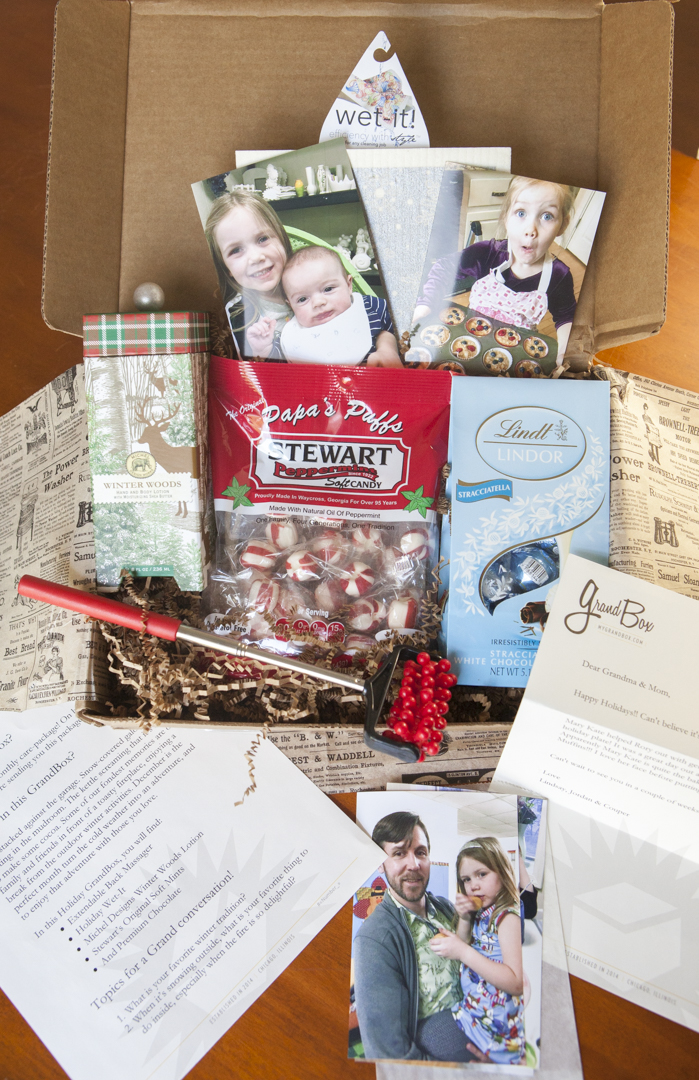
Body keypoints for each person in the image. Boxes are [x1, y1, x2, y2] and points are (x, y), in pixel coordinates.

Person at [353, 811, 482, 1063]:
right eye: (399, 853)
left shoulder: (445, 908)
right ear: (380, 862)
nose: (414, 864)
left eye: (420, 852)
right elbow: (388, 1055)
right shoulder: (374, 939)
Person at [413, 177, 577, 364]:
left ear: (562, 225)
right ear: (506, 218)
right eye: (521, 213)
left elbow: (566, 316)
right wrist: (426, 303)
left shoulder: (559, 275)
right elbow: (444, 268)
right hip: (470, 336)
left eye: (547, 216)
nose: (530, 230)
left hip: (515, 352)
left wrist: (564, 351)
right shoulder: (488, 253)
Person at [429, 836, 525, 1065]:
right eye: (466, 879)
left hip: (493, 1025)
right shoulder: (482, 911)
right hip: (473, 1009)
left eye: (482, 874)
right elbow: (465, 940)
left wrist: (462, 951)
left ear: (502, 872)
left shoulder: (507, 917)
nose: (473, 885)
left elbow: (516, 982)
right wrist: (464, 917)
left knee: (426, 1036)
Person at [204, 190, 293, 360]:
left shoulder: (310, 279)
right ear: (226, 267)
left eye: (262, 239)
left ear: (281, 238)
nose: (255, 258)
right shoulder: (237, 316)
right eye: (236, 250)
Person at [277, 246, 402, 366]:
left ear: (348, 285)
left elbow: (397, 328)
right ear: (290, 305)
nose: (318, 302)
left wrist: (387, 348)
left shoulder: (368, 307)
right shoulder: (292, 335)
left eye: (328, 289)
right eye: (302, 299)